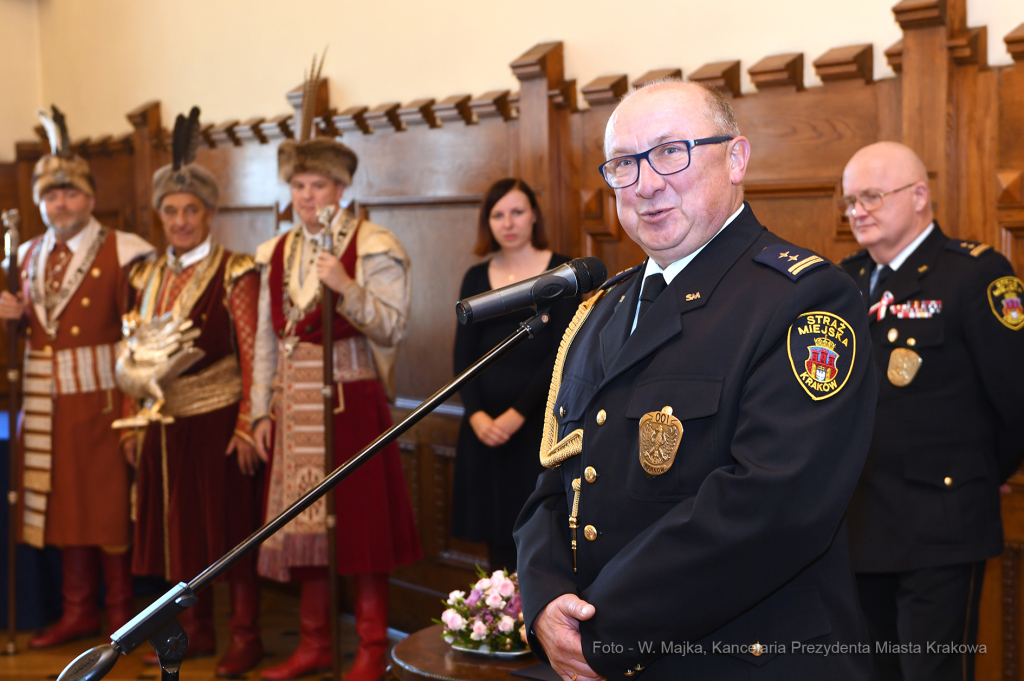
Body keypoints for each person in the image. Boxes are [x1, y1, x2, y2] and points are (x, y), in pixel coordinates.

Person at [513, 80, 879, 681]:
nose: (647, 183)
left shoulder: (805, 297)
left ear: (736, 159)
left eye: (670, 152)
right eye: (624, 164)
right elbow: (559, 478)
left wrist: (602, 629)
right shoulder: (604, 307)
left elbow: (772, 507)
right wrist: (546, 597)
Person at [839, 142, 1024, 681]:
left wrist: (986, 472)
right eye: (850, 201)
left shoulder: (975, 274)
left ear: (920, 196)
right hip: (855, 524)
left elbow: (1015, 399)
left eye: (871, 196)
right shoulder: (841, 282)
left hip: (941, 521)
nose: (858, 211)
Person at [250, 132, 422, 680]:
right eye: (298, 185)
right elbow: (263, 341)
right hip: (292, 404)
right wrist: (259, 411)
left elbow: (393, 326)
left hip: (354, 398)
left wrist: (345, 285)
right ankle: (315, 643)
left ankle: (372, 647)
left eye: (317, 185)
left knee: (361, 527)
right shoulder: (277, 251)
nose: (305, 196)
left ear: (342, 188)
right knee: (304, 527)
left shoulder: (373, 243)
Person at [0, 106, 154, 647]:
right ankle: (77, 611)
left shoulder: (124, 250)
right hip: (46, 404)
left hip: (104, 401)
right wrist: (10, 319)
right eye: (51, 196)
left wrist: (135, 409)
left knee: (109, 515)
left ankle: (118, 617)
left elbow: (140, 337)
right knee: (61, 509)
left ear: (89, 199)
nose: (60, 204)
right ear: (41, 203)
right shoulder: (24, 255)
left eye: (70, 194)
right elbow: (26, 338)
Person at [121, 107, 265, 675]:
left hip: (217, 420)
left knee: (228, 535)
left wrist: (248, 423)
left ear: (210, 213)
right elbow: (136, 356)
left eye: (191, 210)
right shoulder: (146, 276)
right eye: (171, 211)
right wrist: (135, 418)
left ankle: (245, 632)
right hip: (162, 425)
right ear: (159, 216)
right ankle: (193, 631)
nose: (180, 221)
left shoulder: (235, 270)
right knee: (174, 536)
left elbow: (254, 353)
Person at [451, 178, 578, 572]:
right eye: (497, 214)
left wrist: (515, 415)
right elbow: (463, 355)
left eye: (517, 211)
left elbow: (563, 353)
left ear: (534, 216)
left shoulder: (563, 272)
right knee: (496, 543)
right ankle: (501, 626)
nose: (508, 223)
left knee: (541, 538)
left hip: (540, 431)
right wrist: (476, 417)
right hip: (484, 433)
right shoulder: (476, 276)